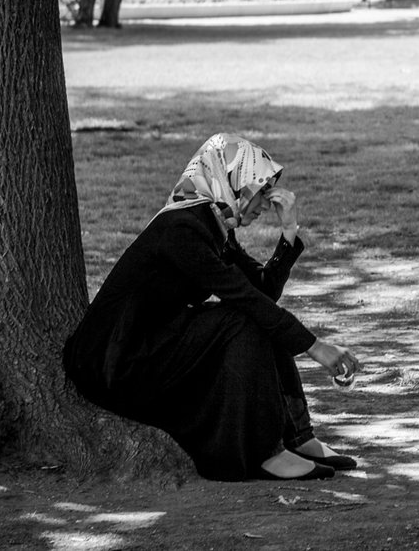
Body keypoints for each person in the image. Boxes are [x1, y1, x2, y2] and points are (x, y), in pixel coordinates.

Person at [63, 133, 362, 481]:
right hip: (112, 362)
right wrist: (316, 347)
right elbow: (245, 299)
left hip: (152, 343)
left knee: (256, 313)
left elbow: (261, 293)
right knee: (244, 318)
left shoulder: (213, 226)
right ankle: (265, 452)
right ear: (231, 182)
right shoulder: (181, 228)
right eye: (260, 191)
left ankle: (298, 436)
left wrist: (289, 233)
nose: (265, 205)